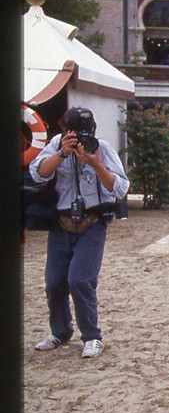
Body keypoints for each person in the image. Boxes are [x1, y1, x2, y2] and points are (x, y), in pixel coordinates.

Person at [29, 107, 130, 359]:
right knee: (54, 283)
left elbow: (120, 188)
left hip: (93, 222)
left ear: (94, 130)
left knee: (80, 280)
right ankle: (60, 332)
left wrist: (96, 164)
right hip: (61, 222)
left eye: (87, 131)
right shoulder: (56, 145)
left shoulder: (102, 148)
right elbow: (38, 174)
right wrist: (62, 153)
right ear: (66, 132)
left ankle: (92, 336)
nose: (82, 137)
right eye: (75, 133)